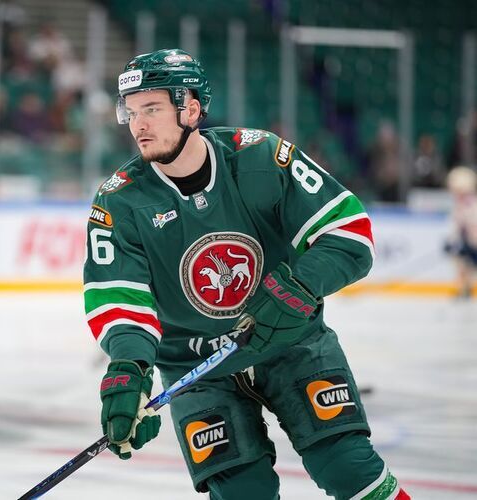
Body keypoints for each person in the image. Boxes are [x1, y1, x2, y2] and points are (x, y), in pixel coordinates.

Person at [84, 49, 409, 500]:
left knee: (350, 469)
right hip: (197, 369)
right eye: (132, 112)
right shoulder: (119, 202)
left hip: (291, 343)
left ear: (190, 109)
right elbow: (120, 300)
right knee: (243, 493)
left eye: (152, 109)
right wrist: (130, 366)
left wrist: (298, 288)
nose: (138, 124)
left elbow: (349, 233)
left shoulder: (261, 157)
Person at [444, 166, 477, 298]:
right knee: (461, 265)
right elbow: (455, 225)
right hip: (464, 242)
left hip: (473, 242)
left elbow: (472, 223)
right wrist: (452, 240)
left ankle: (466, 286)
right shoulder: (458, 204)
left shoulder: (472, 204)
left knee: (468, 265)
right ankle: (464, 287)